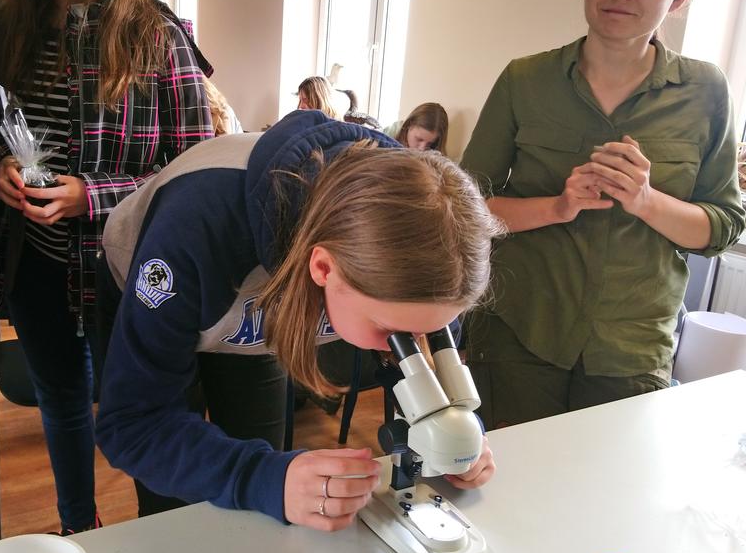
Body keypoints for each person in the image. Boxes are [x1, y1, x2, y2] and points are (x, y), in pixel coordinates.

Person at [96, 110, 499, 528]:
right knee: (175, 499)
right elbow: (134, 426)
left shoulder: (427, 248)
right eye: (393, 333)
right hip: (161, 286)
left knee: (262, 464)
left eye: (429, 330)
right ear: (323, 268)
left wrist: (456, 434)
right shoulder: (194, 227)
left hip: (257, 300)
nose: (409, 346)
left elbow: (429, 357)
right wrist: (259, 477)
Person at [0, 0, 214, 535]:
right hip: (34, 263)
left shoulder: (158, 37)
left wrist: (93, 195)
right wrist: (0, 166)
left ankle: (160, 538)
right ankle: (79, 526)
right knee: (61, 401)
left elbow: (195, 170)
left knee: (146, 411)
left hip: (129, 274)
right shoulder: (0, 26)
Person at [460, 0, 744, 429]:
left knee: (610, 475)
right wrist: (558, 206)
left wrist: (646, 201)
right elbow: (464, 207)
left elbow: (722, 228)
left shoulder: (706, 90)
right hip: (522, 331)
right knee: (515, 471)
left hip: (631, 350)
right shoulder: (524, 80)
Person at [385, 102, 449, 154]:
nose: (422, 149)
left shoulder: (436, 152)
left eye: (429, 144)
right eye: (419, 139)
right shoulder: (388, 135)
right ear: (409, 125)